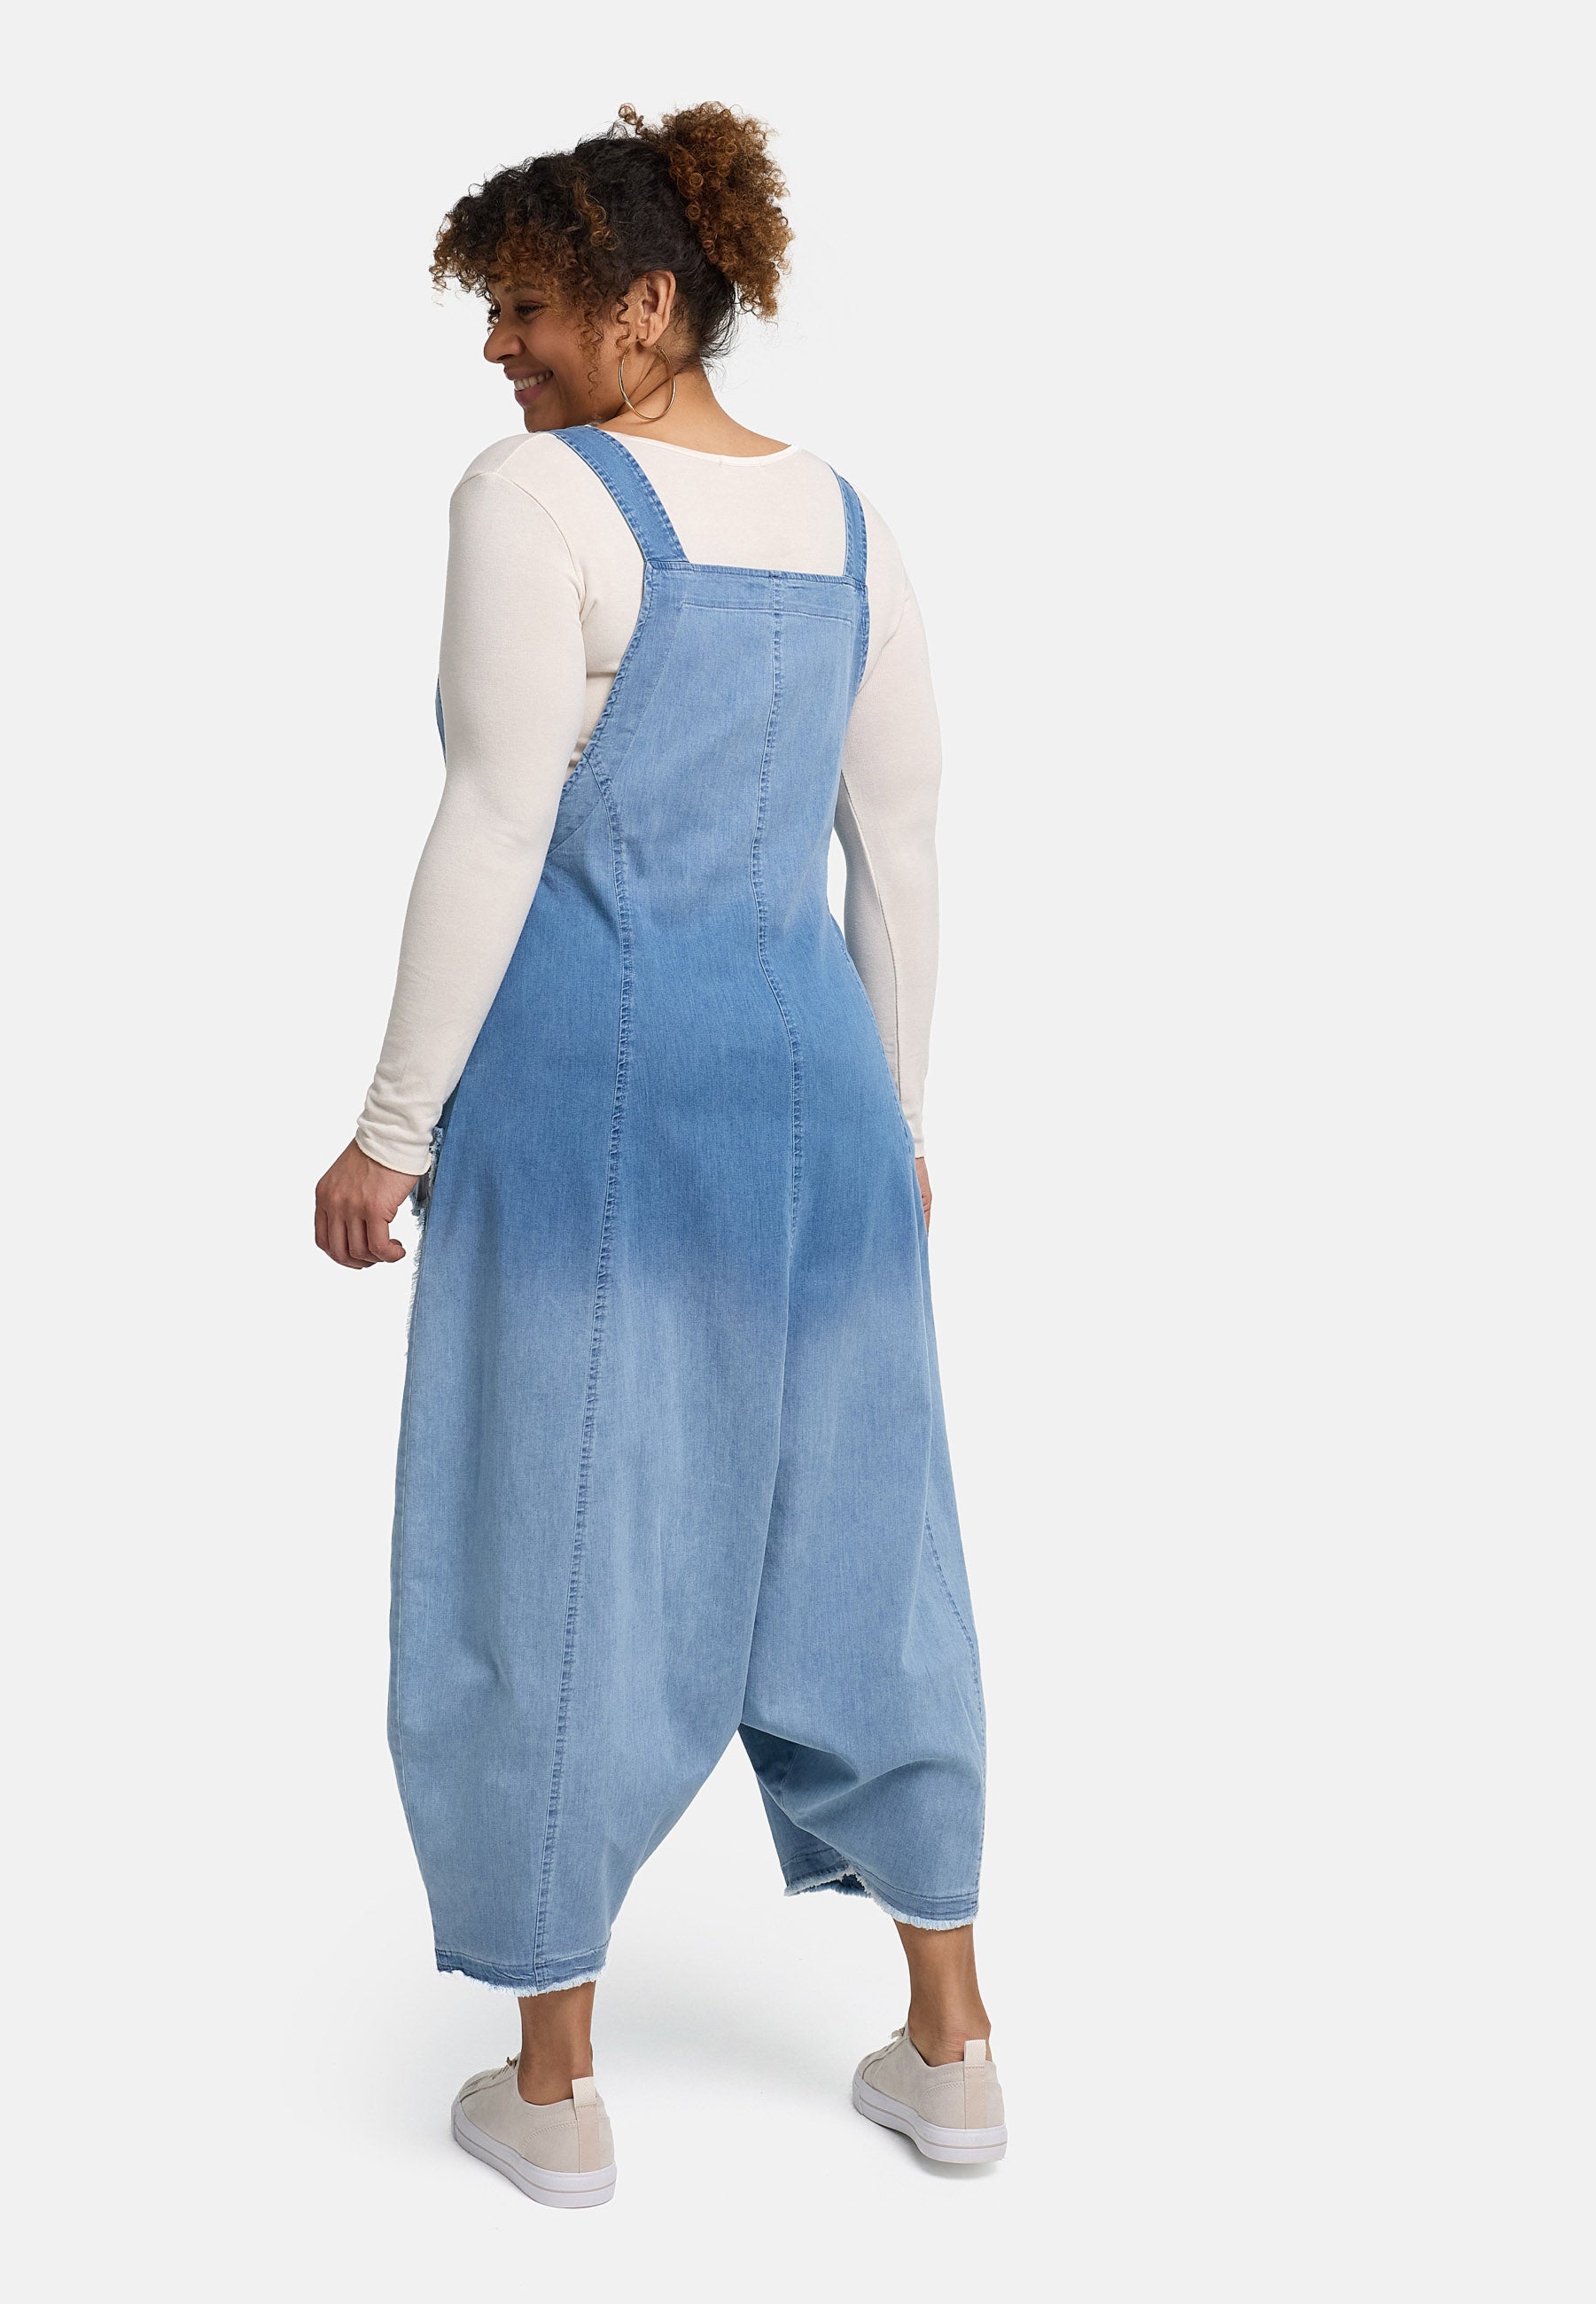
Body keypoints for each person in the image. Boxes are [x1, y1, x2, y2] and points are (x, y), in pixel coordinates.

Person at [315, 102, 1003, 2207]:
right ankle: (951, 2048)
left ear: (641, 306)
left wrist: (388, 1130)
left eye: (523, 308)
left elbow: (495, 818)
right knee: (863, 1537)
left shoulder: (532, 499)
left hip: (595, 1105)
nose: (494, 349)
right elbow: (896, 849)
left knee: (553, 1535)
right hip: (815, 1100)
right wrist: (895, 1124)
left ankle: (553, 2088)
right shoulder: (847, 521)